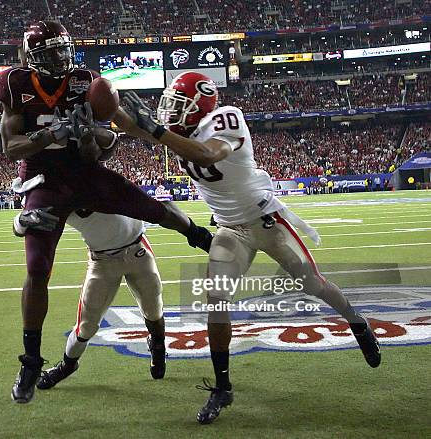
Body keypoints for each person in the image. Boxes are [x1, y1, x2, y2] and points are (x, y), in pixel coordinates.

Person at [115, 72, 381, 424]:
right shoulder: (177, 131)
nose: (169, 113)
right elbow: (131, 127)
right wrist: (99, 95)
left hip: (267, 221)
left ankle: (357, 322)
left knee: (313, 283)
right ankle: (222, 387)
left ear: (201, 105)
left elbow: (209, 155)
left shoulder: (225, 118)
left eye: (179, 105)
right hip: (231, 230)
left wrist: (157, 130)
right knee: (216, 299)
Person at [0, 21, 213, 404]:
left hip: (84, 173)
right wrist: (49, 135)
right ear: (31, 59)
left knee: (147, 205)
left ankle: (201, 237)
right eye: (51, 54)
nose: (61, 59)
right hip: (43, 180)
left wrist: (91, 137)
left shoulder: (86, 82)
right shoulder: (15, 84)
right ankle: (30, 361)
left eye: (64, 50)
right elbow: (11, 148)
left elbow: (106, 147)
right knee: (37, 268)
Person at [14, 207, 166, 389]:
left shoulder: (103, 179)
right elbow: (22, 226)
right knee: (86, 326)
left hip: (138, 250)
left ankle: (157, 344)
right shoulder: (56, 194)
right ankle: (67, 365)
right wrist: (22, 220)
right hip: (102, 261)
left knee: (154, 309)